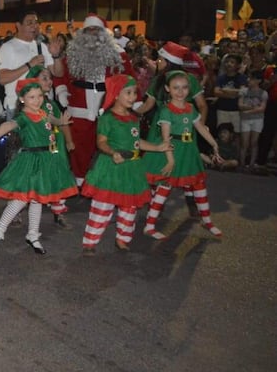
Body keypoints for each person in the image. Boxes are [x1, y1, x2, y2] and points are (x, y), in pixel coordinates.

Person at [0, 77, 78, 256]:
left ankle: (33, 234)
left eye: (39, 96)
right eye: (32, 97)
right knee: (22, 199)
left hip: (46, 159)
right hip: (30, 160)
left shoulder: (41, 113)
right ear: (22, 99)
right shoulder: (23, 117)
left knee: (37, 198)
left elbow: (52, 119)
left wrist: (60, 122)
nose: (37, 100)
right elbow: (10, 124)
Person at [80, 75, 171, 254]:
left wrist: (158, 147)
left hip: (132, 168)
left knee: (129, 207)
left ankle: (123, 239)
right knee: (103, 206)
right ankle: (90, 241)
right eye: (128, 93)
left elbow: (137, 142)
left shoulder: (133, 118)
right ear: (115, 94)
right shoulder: (108, 118)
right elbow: (101, 142)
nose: (133, 97)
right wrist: (113, 153)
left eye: (134, 93)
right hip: (111, 167)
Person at [142, 71, 224, 240]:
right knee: (164, 187)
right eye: (176, 88)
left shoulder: (191, 108)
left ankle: (207, 221)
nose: (181, 92)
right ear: (167, 89)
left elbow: (200, 127)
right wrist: (171, 160)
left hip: (188, 150)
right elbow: (165, 139)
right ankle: (149, 226)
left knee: (199, 185)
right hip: (172, 151)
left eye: (184, 87)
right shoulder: (166, 111)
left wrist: (214, 144)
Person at [55, 14, 134, 186]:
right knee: (78, 146)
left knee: (110, 144)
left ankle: (105, 181)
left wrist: (134, 102)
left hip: (108, 106)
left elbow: (129, 79)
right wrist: (61, 91)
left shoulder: (118, 55)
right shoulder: (73, 53)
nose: (92, 34)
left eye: (96, 30)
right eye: (88, 30)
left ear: (104, 32)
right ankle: (80, 181)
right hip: (79, 106)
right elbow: (61, 76)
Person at [0, 9, 63, 120]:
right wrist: (29, 65)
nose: (34, 26)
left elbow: (58, 73)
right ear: (18, 25)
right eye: (29, 23)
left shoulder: (41, 46)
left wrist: (56, 56)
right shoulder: (8, 47)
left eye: (36, 22)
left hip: (41, 106)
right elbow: (2, 79)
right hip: (18, 107)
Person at [238, 69, 267, 169]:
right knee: (244, 142)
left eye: (251, 79)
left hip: (258, 119)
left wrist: (248, 110)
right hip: (245, 119)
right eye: (249, 78)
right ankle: (242, 163)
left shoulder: (263, 93)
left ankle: (251, 164)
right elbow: (240, 105)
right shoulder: (243, 91)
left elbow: (262, 108)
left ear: (258, 81)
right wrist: (253, 108)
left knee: (254, 142)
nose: (248, 80)